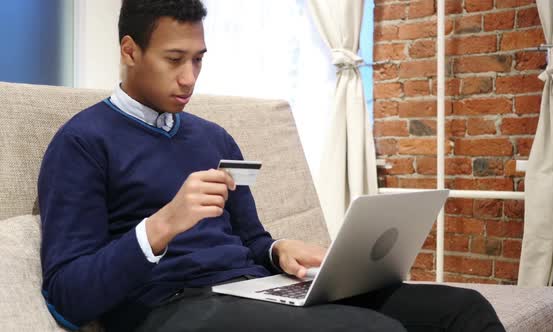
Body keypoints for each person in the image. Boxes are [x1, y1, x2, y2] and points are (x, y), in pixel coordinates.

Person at [38, 1, 505, 331]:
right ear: (129, 51)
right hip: (169, 308)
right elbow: (66, 298)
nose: (189, 78)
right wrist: (161, 226)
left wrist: (279, 249)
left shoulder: (213, 137)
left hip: (255, 289)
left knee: (461, 309)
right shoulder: (81, 143)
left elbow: (253, 239)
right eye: (174, 59)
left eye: (198, 60)